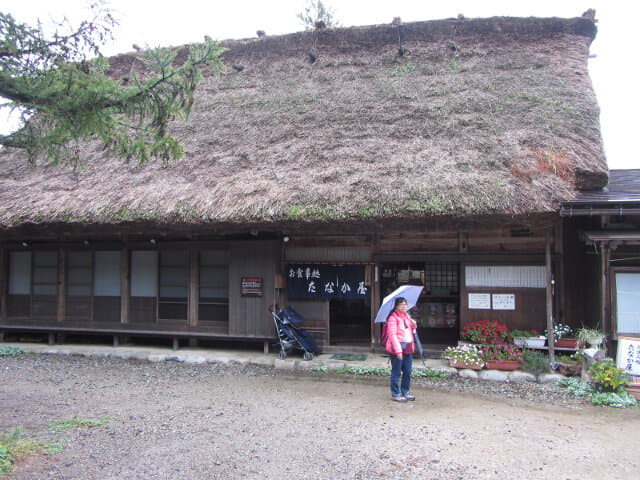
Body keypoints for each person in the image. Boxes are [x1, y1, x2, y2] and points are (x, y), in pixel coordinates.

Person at [385, 296, 417, 402]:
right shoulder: (392, 318)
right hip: (397, 348)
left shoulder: (406, 316)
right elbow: (392, 335)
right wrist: (398, 351)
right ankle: (395, 393)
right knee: (396, 372)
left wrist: (413, 325)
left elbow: (409, 331)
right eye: (401, 304)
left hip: (408, 347)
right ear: (396, 306)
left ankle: (405, 392)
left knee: (408, 371)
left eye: (405, 304)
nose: (404, 306)